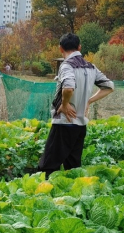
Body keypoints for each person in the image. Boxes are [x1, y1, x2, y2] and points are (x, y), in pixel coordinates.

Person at [38, 33, 114, 176]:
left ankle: (44, 193)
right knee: (73, 168)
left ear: (60, 49)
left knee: (48, 166)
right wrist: (89, 101)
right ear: (79, 47)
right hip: (80, 125)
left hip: (64, 122)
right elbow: (109, 86)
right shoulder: (91, 67)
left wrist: (65, 104)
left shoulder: (66, 66)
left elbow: (68, 87)